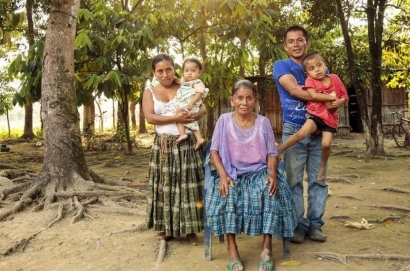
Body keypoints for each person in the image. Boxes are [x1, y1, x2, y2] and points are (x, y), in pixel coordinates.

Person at [205, 80, 296, 271]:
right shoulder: (224, 120)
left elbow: (272, 152)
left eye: (249, 98)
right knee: (227, 193)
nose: (244, 102)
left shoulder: (263, 122)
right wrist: (222, 175)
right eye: (239, 98)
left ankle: (266, 248)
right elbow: (214, 152)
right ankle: (232, 249)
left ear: (255, 100)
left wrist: (272, 174)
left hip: (259, 171)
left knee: (269, 190)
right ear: (232, 100)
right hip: (231, 172)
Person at [272, 25, 346, 244]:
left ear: (308, 43)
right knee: (293, 181)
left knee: (318, 180)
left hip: (321, 129)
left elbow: (337, 100)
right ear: (285, 46)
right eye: (291, 41)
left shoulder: (320, 67)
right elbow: (295, 90)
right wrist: (328, 97)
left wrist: (339, 101)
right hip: (295, 128)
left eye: (300, 40)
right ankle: (298, 225)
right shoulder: (281, 65)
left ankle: (315, 225)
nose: (296, 44)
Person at [142, 53, 206, 245]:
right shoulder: (150, 92)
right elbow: (150, 118)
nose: (165, 74)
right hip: (163, 145)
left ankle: (191, 229)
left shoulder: (186, 86)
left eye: (168, 69)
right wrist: (175, 119)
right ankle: (166, 228)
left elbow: (203, 109)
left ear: (174, 69)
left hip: (186, 145)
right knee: (165, 187)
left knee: (188, 187)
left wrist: (190, 117)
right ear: (154, 72)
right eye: (160, 71)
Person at [278, 53, 349, 182]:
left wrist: (341, 101)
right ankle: (279, 150)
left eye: (319, 65)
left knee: (326, 144)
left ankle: (322, 166)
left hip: (330, 119)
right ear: (307, 73)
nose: (317, 69)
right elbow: (314, 96)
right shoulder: (310, 81)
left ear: (325, 66)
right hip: (316, 115)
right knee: (302, 133)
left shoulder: (335, 78)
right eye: (311, 68)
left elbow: (344, 95)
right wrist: (332, 98)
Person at [174, 58, 209, 150]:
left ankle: (187, 135)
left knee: (182, 118)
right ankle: (194, 137)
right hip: (186, 105)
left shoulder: (197, 82)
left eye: (193, 71)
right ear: (183, 72)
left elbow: (199, 93)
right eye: (186, 71)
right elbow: (177, 80)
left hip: (192, 106)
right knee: (182, 119)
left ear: (199, 72)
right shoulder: (185, 82)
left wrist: (191, 103)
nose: (189, 73)